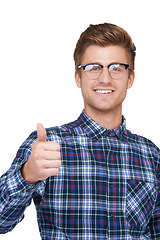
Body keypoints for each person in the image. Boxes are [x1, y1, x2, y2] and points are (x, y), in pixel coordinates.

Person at [0, 23, 160, 239]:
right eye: (94, 67)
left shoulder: (151, 155)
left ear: (130, 78)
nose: (105, 78)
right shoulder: (47, 145)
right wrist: (27, 175)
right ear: (78, 77)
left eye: (116, 68)